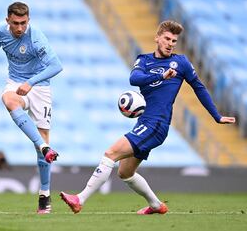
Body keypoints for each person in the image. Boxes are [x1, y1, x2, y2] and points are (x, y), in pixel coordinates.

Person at [60, 20, 236, 215]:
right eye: (167, 39)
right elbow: (134, 79)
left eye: (174, 41)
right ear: (157, 38)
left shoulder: (181, 63)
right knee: (125, 172)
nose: (170, 43)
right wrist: (161, 77)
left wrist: (216, 116)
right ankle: (156, 205)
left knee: (110, 153)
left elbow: (199, 87)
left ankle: (80, 199)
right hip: (144, 122)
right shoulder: (144, 60)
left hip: (157, 124)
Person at [0, 2, 63, 214]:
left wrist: (32, 82)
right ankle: (44, 147)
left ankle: (44, 195)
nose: (19, 28)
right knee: (8, 100)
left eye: (24, 23)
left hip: (40, 86)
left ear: (29, 20)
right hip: (16, 82)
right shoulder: (1, 31)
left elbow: (56, 66)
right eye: (15, 23)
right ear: (7, 20)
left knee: (41, 143)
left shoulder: (36, 38)